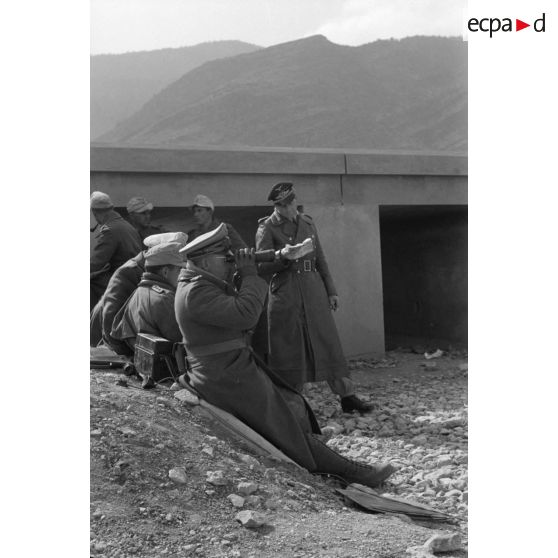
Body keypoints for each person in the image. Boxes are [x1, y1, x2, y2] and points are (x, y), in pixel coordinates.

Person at [174, 224, 395, 488]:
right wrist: (249, 274)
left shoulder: (202, 283)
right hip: (223, 374)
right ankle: (346, 470)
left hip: (231, 365)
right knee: (283, 419)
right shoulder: (196, 292)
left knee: (293, 401)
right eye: (225, 260)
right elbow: (246, 315)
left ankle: (317, 451)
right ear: (206, 262)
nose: (230, 265)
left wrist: (268, 260)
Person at [255, 182, 372, 413]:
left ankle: (347, 396)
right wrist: (284, 257)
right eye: (281, 205)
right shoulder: (266, 228)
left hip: (313, 289)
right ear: (276, 206)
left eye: (290, 202)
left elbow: (321, 259)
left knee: (326, 341)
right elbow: (261, 266)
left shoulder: (307, 222)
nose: (287, 208)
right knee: (289, 347)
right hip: (286, 293)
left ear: (295, 200)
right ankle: (289, 403)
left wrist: (332, 290)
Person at [90, 232, 188, 354]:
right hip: (108, 342)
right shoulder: (129, 271)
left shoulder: (156, 272)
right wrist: (125, 355)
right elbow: (110, 316)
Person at [110, 242, 185, 355]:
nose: (182, 275)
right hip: (168, 367)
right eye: (179, 270)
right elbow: (184, 339)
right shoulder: (164, 298)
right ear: (165, 272)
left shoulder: (140, 291)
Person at [90, 191, 142, 310]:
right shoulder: (126, 226)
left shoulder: (110, 230)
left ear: (94, 212)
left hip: (121, 280)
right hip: (133, 277)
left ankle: (93, 323)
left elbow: (96, 263)